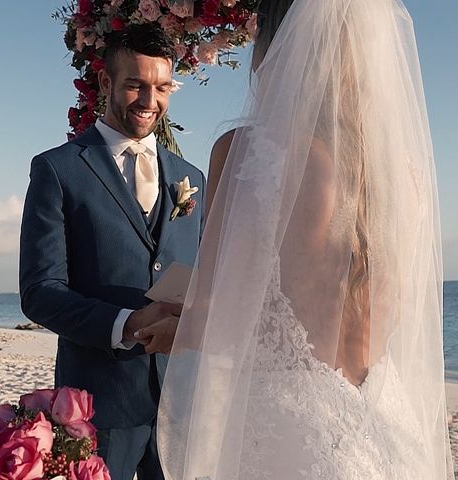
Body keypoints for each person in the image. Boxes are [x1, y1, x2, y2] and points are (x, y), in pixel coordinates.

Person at [157, 0, 454, 478]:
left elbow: (212, 315)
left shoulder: (250, 152)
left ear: (278, 43)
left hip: (287, 433)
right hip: (388, 428)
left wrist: (161, 319)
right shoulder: (407, 176)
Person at [19, 23, 205, 480]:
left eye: (162, 87)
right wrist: (127, 323)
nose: (149, 101)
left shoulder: (191, 177)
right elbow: (40, 292)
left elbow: (205, 276)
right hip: (97, 405)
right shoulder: (57, 170)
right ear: (105, 83)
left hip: (180, 402)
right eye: (135, 85)